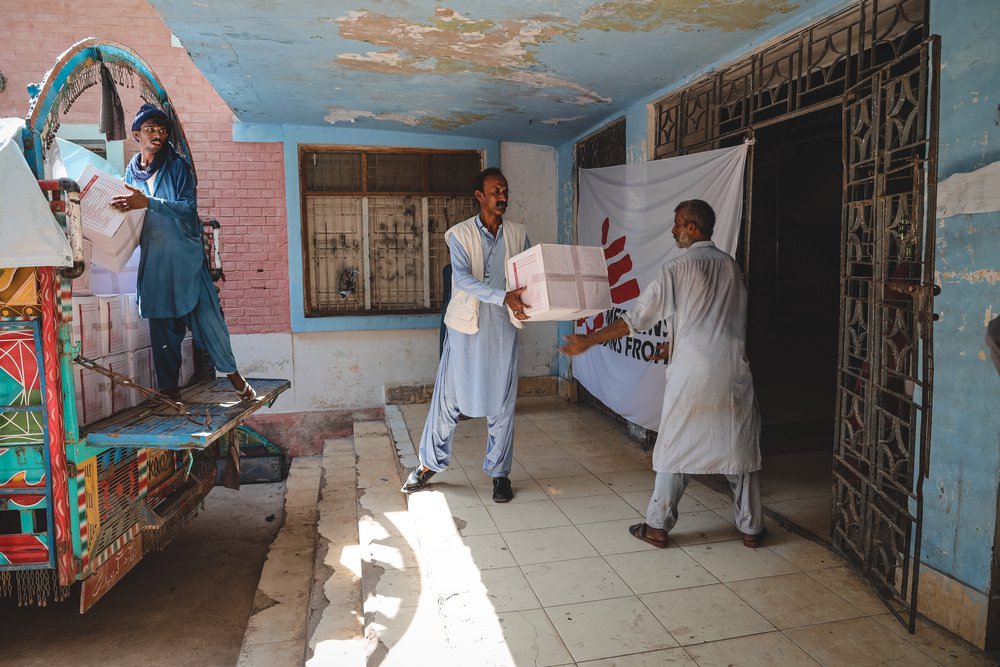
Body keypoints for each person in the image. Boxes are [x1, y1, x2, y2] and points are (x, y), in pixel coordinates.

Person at [560, 199, 766, 548]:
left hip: (692, 377)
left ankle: (657, 527)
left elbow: (634, 320)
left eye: (678, 223)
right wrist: (673, 344)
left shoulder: (676, 269)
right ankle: (751, 529)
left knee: (675, 448)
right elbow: (722, 323)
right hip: (732, 373)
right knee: (737, 449)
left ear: (692, 227)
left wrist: (589, 340)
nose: (673, 230)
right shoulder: (732, 267)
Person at [402, 167, 530, 503]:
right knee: (448, 400)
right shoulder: (459, 234)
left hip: (503, 325)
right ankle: (428, 464)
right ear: (479, 196)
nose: (502, 197)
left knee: (503, 401)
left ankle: (500, 474)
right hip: (465, 326)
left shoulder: (518, 233)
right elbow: (462, 280)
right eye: (495, 191)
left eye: (505, 191)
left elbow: (529, 275)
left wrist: (535, 303)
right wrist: (503, 295)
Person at [110, 104, 255, 402]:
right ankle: (169, 391)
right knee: (162, 329)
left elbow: (188, 208)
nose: (158, 135)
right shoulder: (131, 170)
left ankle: (236, 380)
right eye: (151, 129)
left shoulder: (177, 167)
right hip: (154, 261)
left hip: (186, 260)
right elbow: (131, 210)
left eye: (163, 130)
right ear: (137, 134)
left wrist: (148, 203)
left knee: (208, 321)